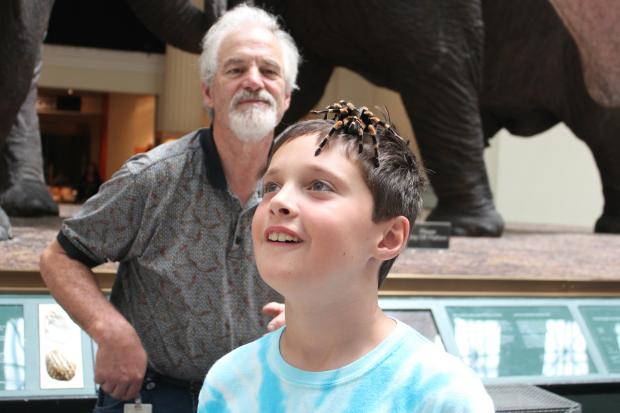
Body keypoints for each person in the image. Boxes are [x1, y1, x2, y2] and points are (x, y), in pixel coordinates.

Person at [39, 4, 299, 412]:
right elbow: (59, 258)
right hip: (156, 395)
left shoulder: (307, 191)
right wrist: (110, 330)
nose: (254, 81)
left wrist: (311, 316)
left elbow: (338, 275)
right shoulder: (153, 178)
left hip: (261, 396)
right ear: (208, 91)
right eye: (235, 70)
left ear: (285, 98)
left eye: (269, 71)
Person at [197, 103, 495, 412]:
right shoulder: (228, 382)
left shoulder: (440, 396)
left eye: (319, 186)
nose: (279, 201)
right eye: (271, 186)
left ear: (389, 236)